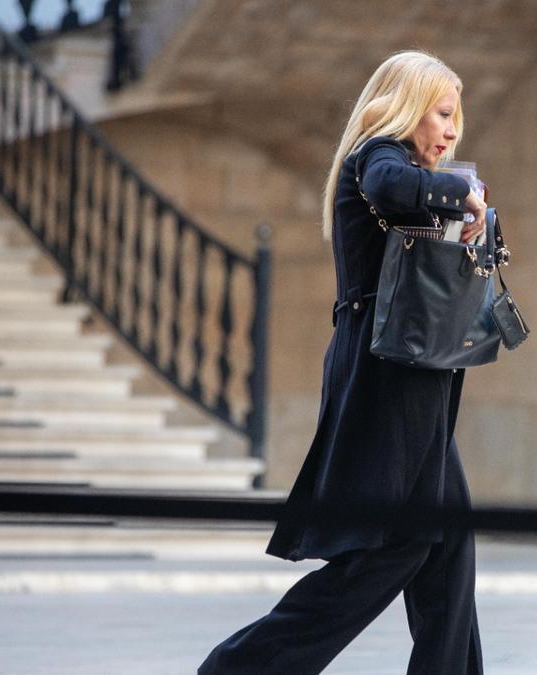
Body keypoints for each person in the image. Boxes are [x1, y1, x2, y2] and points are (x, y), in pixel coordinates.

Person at [198, 50, 487, 674]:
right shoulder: (378, 156)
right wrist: (463, 194)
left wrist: (474, 220)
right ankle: (241, 668)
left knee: (450, 540)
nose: (453, 130)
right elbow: (390, 186)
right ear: (407, 106)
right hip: (386, 375)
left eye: (456, 117)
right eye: (442, 113)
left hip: (415, 372)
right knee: (400, 544)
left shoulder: (409, 170)